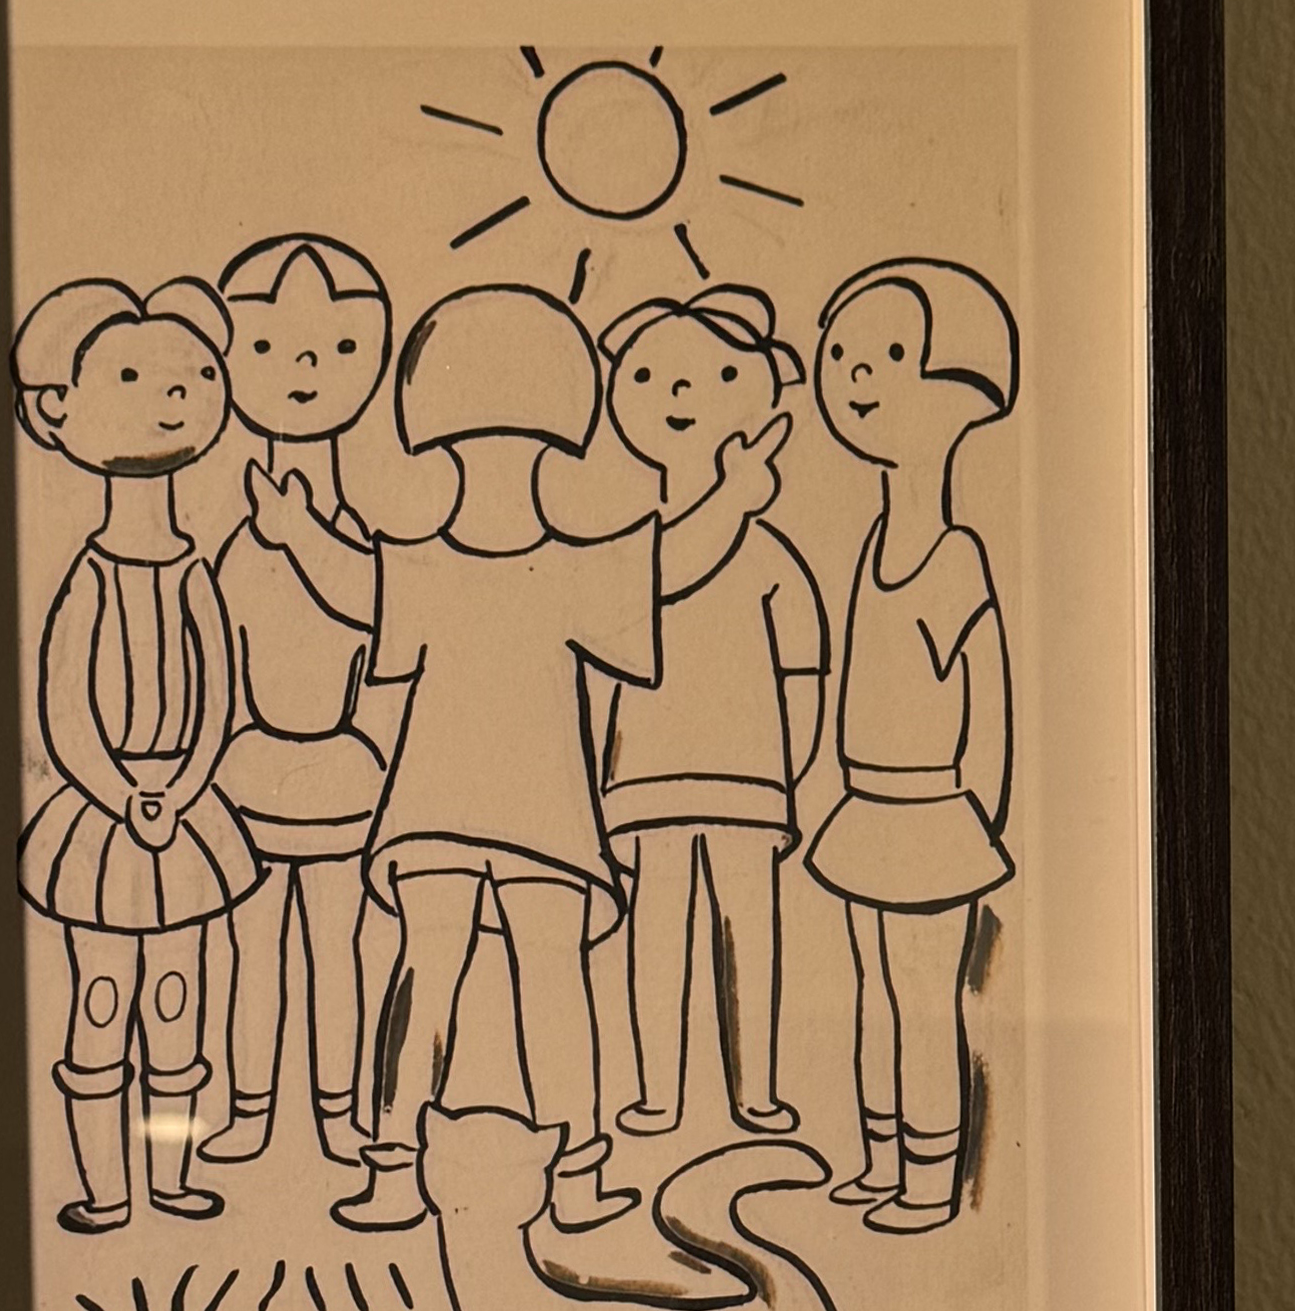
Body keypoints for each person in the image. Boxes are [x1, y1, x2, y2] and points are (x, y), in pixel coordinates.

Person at [246, 281, 785, 1233]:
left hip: (490, 814)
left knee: (470, 974)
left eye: (513, 448)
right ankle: (523, 1174)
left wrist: (297, 534)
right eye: (478, 448)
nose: (495, 468)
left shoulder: (495, 563)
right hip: (497, 815)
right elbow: (661, 570)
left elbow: (359, 585)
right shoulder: (523, 564)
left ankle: (468, 1172)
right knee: (509, 976)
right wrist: (733, 500)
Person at [9, 274, 259, 1234]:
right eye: (130, 376)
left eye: (194, 373)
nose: (174, 393)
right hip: (104, 819)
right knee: (103, 995)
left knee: (178, 996)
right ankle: (106, 1190)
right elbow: (65, 708)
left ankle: (173, 1174)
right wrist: (124, 796)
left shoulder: (194, 570)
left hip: (183, 813)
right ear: (58, 410)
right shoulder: (87, 576)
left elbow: (220, 693)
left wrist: (182, 789)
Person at [806, 258, 1019, 1235]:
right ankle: (881, 1157)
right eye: (844, 355)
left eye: (889, 353)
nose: (855, 375)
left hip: (933, 813)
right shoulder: (870, 543)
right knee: (873, 992)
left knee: (924, 1001)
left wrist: (975, 821)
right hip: (867, 806)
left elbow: (990, 701)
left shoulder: (954, 554)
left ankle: (929, 1182)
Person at [593, 286, 826, 1139]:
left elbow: (802, 659)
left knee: (746, 929)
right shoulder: (631, 539)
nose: (682, 393)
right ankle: (658, 1094)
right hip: (648, 771)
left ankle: (753, 1091)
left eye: (721, 376)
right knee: (657, 929)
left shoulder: (768, 551)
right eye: (652, 375)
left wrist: (793, 758)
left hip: (749, 774)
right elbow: (628, 613)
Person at [201, 234, 404, 1170]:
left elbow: (380, 634)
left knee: (338, 946)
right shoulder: (237, 546)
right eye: (269, 348)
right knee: (250, 947)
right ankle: (249, 1107)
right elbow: (219, 664)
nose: (306, 369)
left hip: (342, 773)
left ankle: (338, 1112)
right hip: (249, 771)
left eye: (338, 348)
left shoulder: (354, 539)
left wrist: (381, 757)